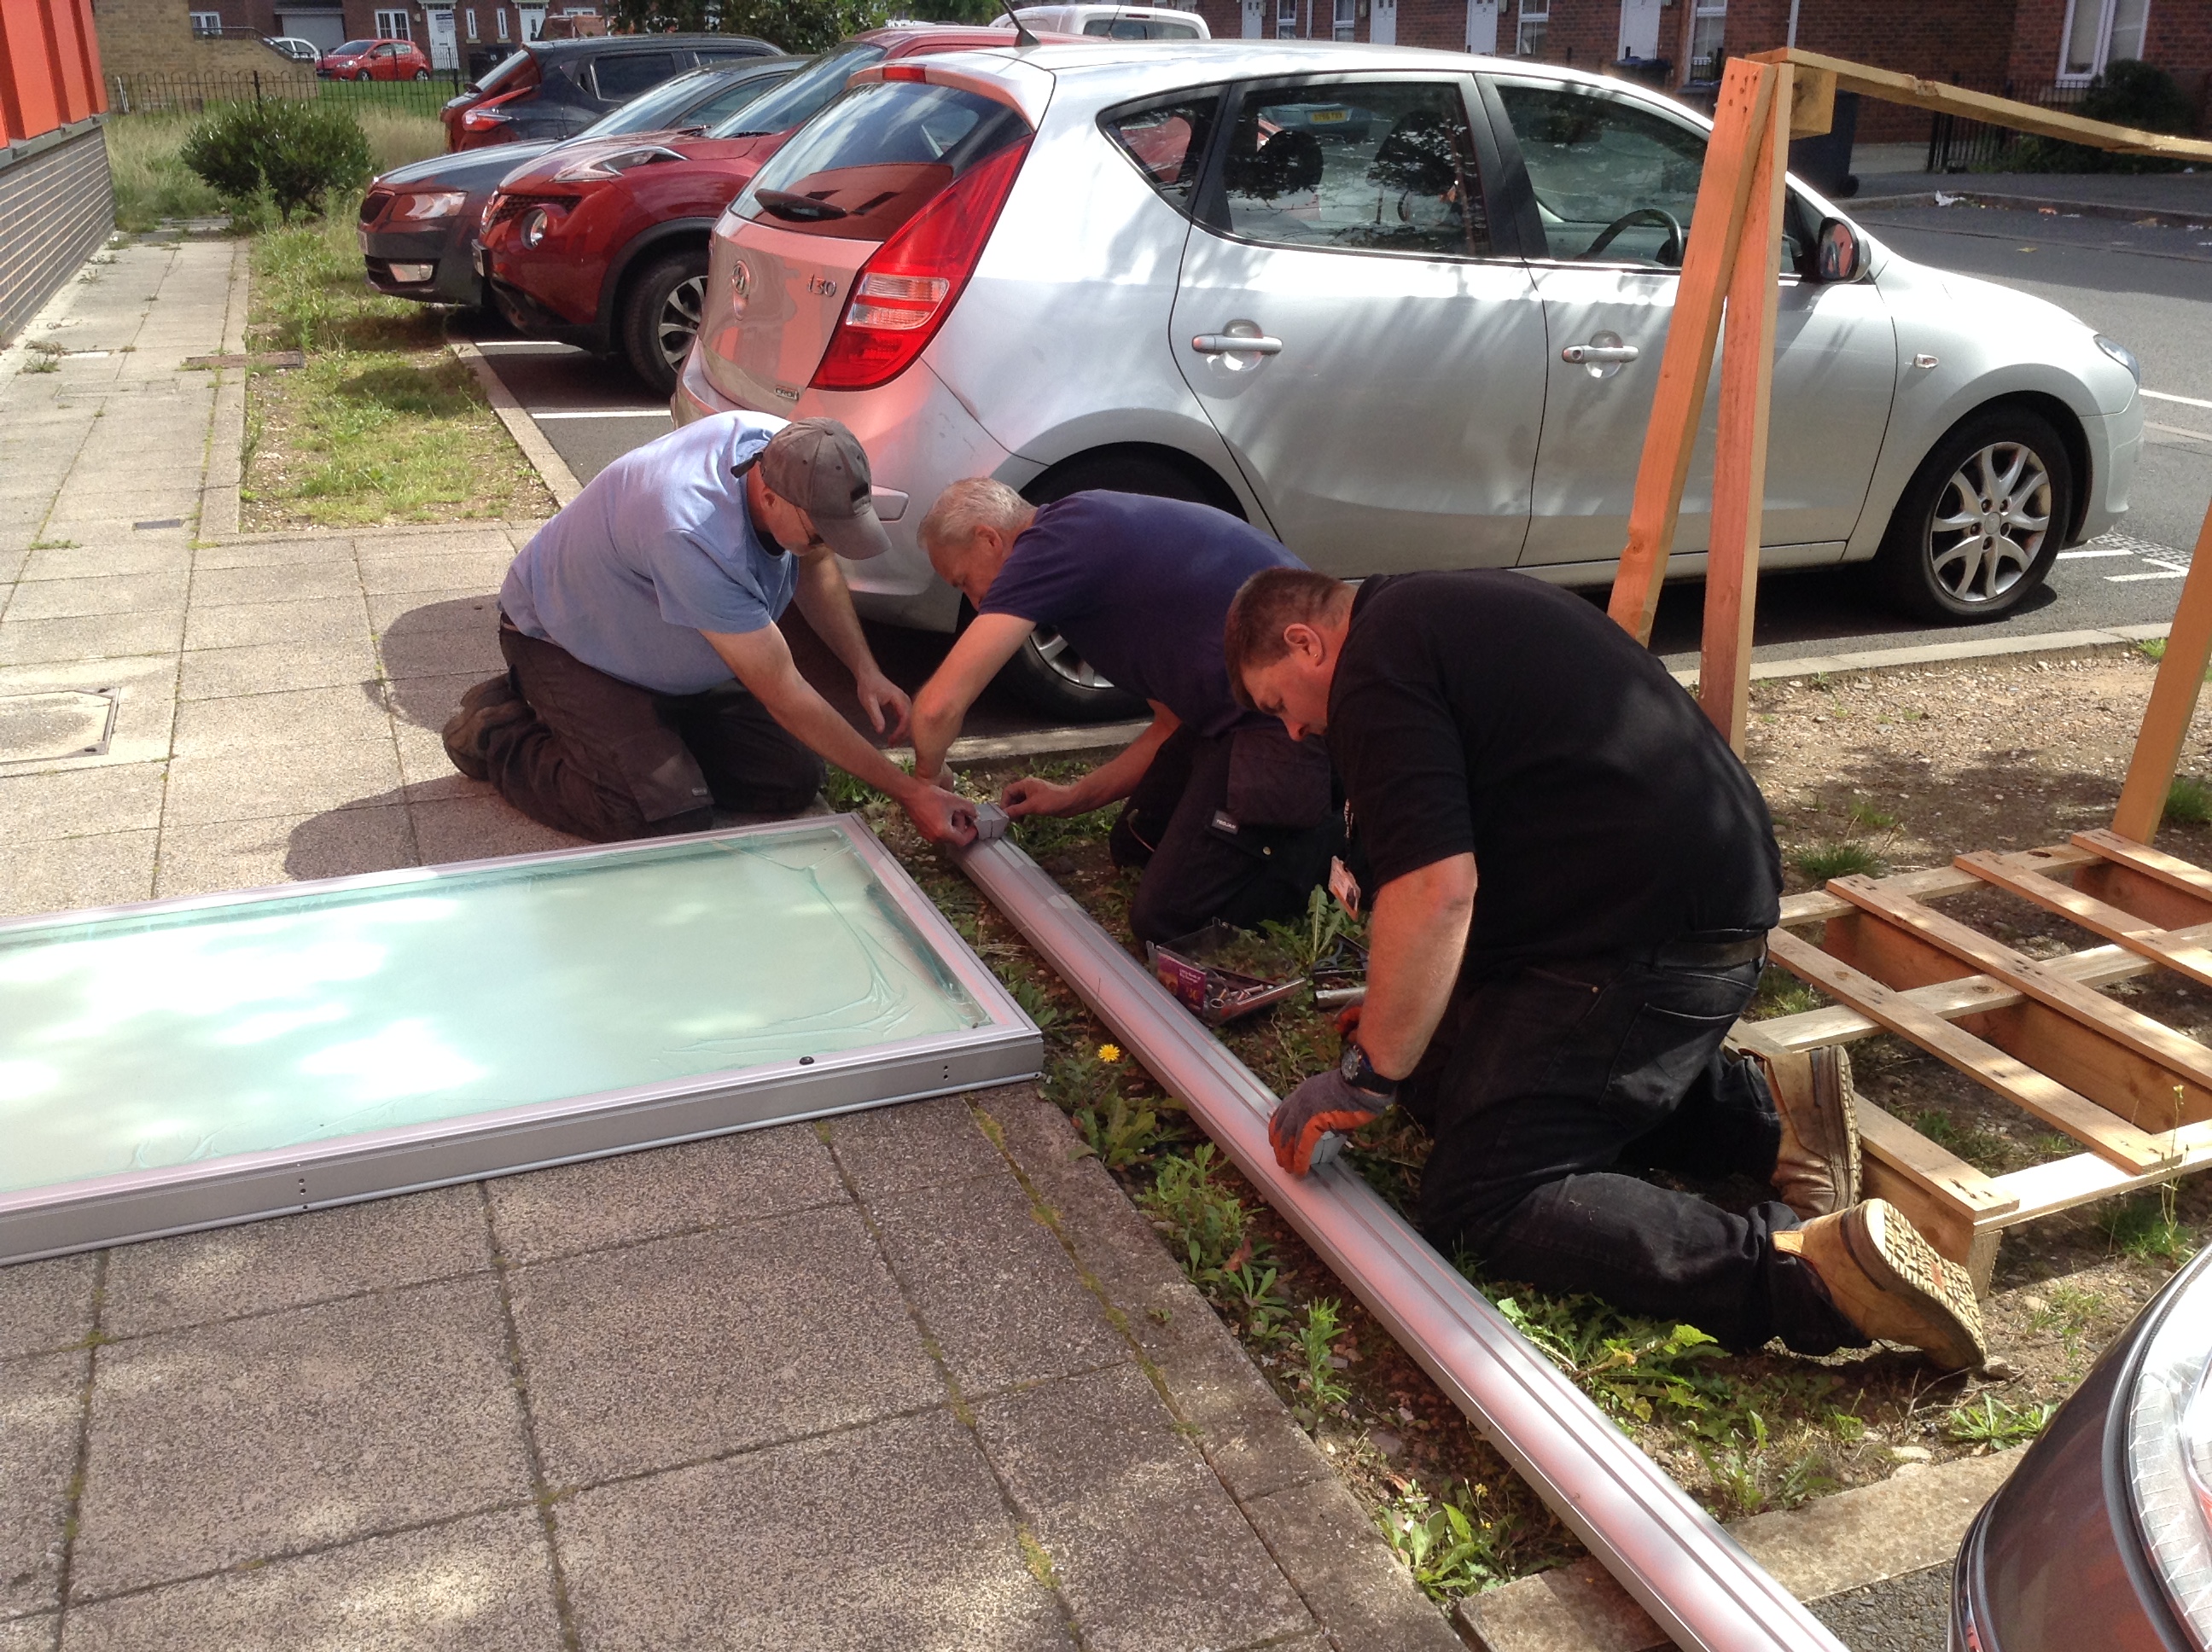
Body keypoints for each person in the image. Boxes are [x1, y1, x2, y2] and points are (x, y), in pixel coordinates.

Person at [1223, 566, 1987, 1372]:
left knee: (1482, 1195)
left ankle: (1814, 1275)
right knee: (1435, 1076)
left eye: (1277, 705)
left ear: (1306, 643)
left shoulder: (1373, 674)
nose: (1293, 732)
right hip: (1651, 914)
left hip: (1648, 949)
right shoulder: (1422, 616)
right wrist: (1400, 1026)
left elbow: (1436, 891)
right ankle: (1765, 1118)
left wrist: (1367, 1072)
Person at [442, 413, 975, 846]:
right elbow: (783, 692)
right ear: (771, 496)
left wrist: (865, 671)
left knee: (792, 779)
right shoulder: (693, 532)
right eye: (820, 533)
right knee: (660, 815)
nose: (827, 545)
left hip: (663, 644)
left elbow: (814, 563)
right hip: (563, 640)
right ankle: (500, 729)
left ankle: (645, 741)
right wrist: (911, 792)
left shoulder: (791, 450)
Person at [910, 480, 1339, 945]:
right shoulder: (1078, 550)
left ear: (989, 540)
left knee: (1166, 919)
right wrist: (1074, 796)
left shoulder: (1053, 544)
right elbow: (1169, 725)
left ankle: (1340, 847)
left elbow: (937, 707)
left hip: (1298, 717)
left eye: (963, 581)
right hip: (1230, 716)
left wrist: (926, 785)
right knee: (1136, 843)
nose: (976, 603)